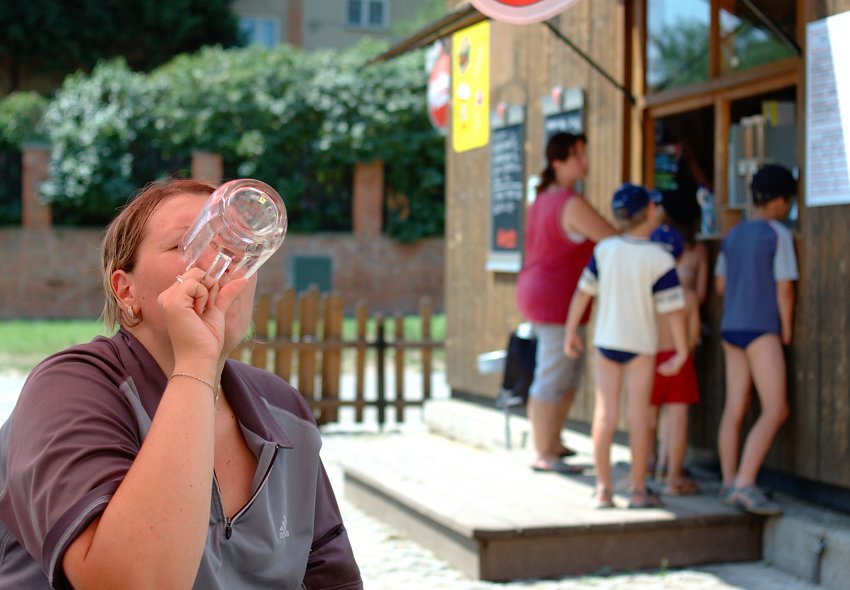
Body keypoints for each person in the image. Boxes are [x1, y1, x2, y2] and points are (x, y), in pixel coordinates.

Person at [0, 179, 363, 589]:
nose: (219, 263)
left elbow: (331, 576)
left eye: (233, 248)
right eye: (185, 244)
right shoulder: (69, 389)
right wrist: (195, 364)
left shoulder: (283, 408)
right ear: (125, 290)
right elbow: (130, 583)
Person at [564, 183, 688, 509]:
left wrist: (570, 331)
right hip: (641, 345)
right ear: (650, 211)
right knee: (638, 418)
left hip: (606, 340)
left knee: (604, 414)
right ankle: (637, 489)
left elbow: (583, 293)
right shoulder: (659, 258)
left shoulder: (604, 250)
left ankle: (603, 489)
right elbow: (674, 310)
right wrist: (681, 349)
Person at [516, 132, 616, 473]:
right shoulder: (570, 203)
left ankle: (552, 443)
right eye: (578, 156)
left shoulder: (542, 199)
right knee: (553, 376)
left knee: (565, 376)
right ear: (559, 162)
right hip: (556, 300)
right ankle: (543, 452)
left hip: (545, 294)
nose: (585, 162)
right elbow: (612, 239)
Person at [715, 164, 798, 516]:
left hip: (731, 327)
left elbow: (720, 285)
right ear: (780, 201)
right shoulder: (778, 234)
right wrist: (787, 330)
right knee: (776, 408)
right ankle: (745, 484)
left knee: (735, 406)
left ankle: (728, 480)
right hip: (761, 329)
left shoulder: (733, 234)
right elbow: (785, 288)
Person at [648, 224, 701, 496]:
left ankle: (646, 469)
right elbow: (691, 338)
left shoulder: (644, 295)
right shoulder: (688, 296)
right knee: (677, 421)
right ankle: (672, 477)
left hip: (648, 359)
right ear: (680, 258)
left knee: (646, 419)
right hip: (678, 360)